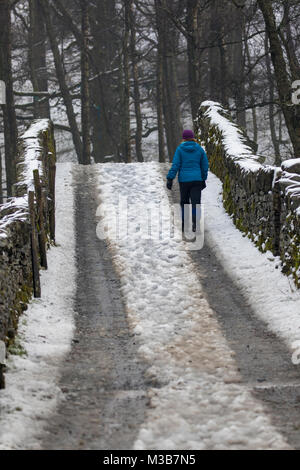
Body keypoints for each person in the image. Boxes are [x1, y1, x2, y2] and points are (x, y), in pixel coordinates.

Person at [166, 129, 209, 232]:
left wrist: (170, 178)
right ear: (193, 137)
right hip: (197, 180)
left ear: (183, 138)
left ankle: (185, 224)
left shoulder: (180, 149)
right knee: (196, 202)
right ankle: (195, 224)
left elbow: (176, 165)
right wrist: (203, 178)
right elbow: (205, 165)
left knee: (184, 202)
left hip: (184, 181)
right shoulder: (199, 149)